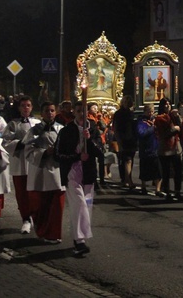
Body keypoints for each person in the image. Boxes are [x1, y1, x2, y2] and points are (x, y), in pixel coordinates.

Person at [55, 101, 103, 257]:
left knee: (86, 207)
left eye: (84, 111)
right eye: (78, 111)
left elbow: (100, 151)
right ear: (74, 113)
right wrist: (76, 156)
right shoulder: (67, 130)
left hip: (88, 173)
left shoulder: (93, 128)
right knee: (79, 204)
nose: (81, 114)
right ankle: (80, 241)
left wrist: (89, 140)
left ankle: (79, 239)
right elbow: (58, 154)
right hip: (72, 173)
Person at [24, 101, 64, 243]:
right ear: (41, 113)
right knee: (41, 206)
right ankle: (43, 232)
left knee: (57, 206)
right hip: (40, 171)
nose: (50, 113)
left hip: (58, 171)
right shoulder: (34, 131)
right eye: (47, 110)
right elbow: (27, 151)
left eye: (52, 110)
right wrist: (45, 152)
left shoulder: (61, 129)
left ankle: (54, 234)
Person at [2, 96, 40, 234]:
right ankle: (26, 219)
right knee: (22, 193)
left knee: (35, 192)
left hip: (35, 162)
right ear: (18, 108)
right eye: (23, 105)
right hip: (20, 162)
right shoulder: (13, 124)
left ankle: (36, 217)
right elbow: (5, 142)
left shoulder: (37, 123)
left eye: (28, 105)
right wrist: (20, 144)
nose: (26, 108)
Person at [155, 98, 183, 201]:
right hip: (165, 148)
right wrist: (175, 129)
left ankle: (177, 191)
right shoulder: (159, 118)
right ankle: (167, 191)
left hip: (175, 147)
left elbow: (181, 127)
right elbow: (164, 133)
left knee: (178, 170)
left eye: (169, 104)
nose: (167, 106)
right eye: (165, 104)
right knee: (166, 171)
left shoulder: (173, 116)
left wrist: (178, 117)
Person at [113, 95, 137, 189]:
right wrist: (119, 141)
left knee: (129, 160)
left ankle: (125, 179)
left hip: (131, 139)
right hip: (123, 139)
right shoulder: (119, 114)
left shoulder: (131, 113)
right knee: (127, 160)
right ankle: (128, 180)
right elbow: (116, 128)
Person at [137, 104, 162, 195]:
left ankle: (158, 189)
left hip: (155, 147)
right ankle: (143, 187)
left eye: (152, 112)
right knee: (144, 169)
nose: (151, 114)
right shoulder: (141, 121)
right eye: (149, 112)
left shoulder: (155, 120)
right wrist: (152, 128)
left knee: (157, 170)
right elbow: (141, 133)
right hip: (145, 148)